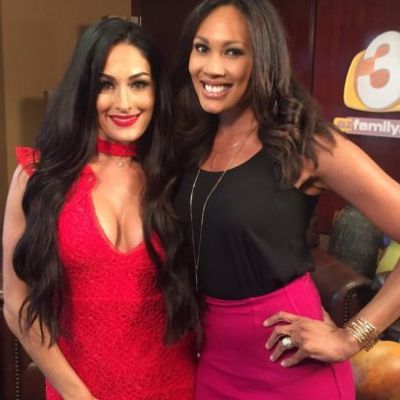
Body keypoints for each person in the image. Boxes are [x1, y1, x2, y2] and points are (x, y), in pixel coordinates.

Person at [172, 1, 400, 399]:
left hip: (290, 365)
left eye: (233, 51)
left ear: (262, 59)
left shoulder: (306, 144)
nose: (212, 67)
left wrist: (352, 337)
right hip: (214, 361)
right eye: (202, 48)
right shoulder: (191, 139)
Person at [2, 17, 197, 400]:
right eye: (106, 85)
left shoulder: (180, 175)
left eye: (138, 84)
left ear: (157, 91)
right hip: (78, 392)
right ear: (83, 90)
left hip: (176, 388)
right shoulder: (37, 177)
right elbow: (15, 301)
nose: (124, 103)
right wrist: (78, 395)